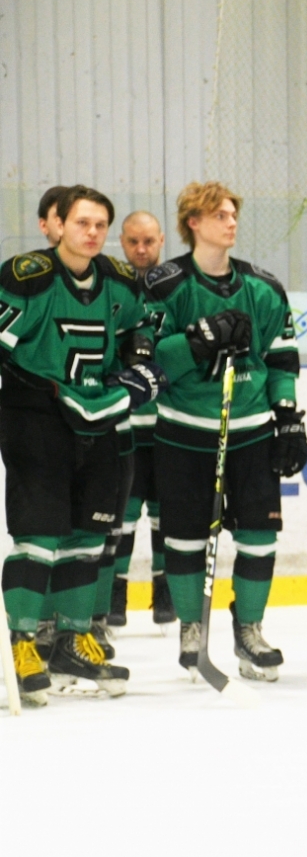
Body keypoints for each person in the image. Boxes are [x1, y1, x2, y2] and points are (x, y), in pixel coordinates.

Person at [1, 186, 165, 703]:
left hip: (101, 419)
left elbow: (141, 329)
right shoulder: (27, 277)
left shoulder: (118, 280)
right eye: (81, 223)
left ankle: (72, 640)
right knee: (38, 537)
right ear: (59, 224)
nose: (91, 233)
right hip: (37, 419)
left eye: (99, 225)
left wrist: (140, 363)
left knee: (88, 537)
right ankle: (22, 643)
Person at [145, 182, 307, 682]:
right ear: (193, 222)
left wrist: (286, 414)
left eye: (233, 213)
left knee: (260, 535)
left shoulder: (263, 287)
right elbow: (147, 357)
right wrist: (197, 341)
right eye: (219, 214)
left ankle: (249, 629)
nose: (231, 221)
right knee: (184, 538)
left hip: (251, 430)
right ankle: (192, 627)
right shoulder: (165, 285)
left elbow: (281, 357)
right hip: (184, 432)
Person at [109, 212, 175, 626]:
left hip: (169, 424)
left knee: (167, 514)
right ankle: (116, 595)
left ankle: (164, 593)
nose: (141, 249)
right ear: (122, 241)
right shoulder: (112, 290)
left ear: (162, 240)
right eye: (133, 241)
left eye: (149, 241)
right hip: (127, 424)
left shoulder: (175, 289)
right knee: (124, 514)